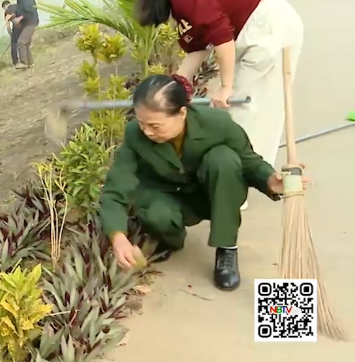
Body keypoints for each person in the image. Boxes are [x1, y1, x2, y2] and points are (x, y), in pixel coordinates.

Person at [119, 0, 304, 211]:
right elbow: (198, 47)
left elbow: (221, 37)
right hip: (258, 30)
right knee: (246, 111)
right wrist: (176, 84)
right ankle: (242, 182)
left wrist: (226, 87)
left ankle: (236, 189)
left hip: (269, 28)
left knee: (245, 109)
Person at [99, 74, 302, 291]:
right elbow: (116, 186)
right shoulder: (135, 134)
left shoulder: (217, 125)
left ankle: (226, 247)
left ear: (182, 113)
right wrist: (117, 236)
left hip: (207, 194)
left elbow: (250, 163)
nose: (147, 131)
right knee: (157, 215)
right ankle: (169, 238)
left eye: (155, 125)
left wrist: (271, 181)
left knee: (224, 159)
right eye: (141, 123)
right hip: (163, 194)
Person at [11, 0, 39, 69]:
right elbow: (20, 9)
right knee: (25, 43)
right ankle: (30, 63)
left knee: (21, 42)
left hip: (31, 22)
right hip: (27, 22)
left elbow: (30, 10)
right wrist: (14, 15)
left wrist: (19, 18)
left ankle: (23, 63)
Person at [1, 0, 22, 65]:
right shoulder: (17, 6)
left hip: (17, 27)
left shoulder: (7, 12)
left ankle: (15, 62)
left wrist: (11, 35)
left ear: (5, 7)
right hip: (25, 25)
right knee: (23, 43)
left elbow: (8, 27)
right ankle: (24, 60)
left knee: (14, 44)